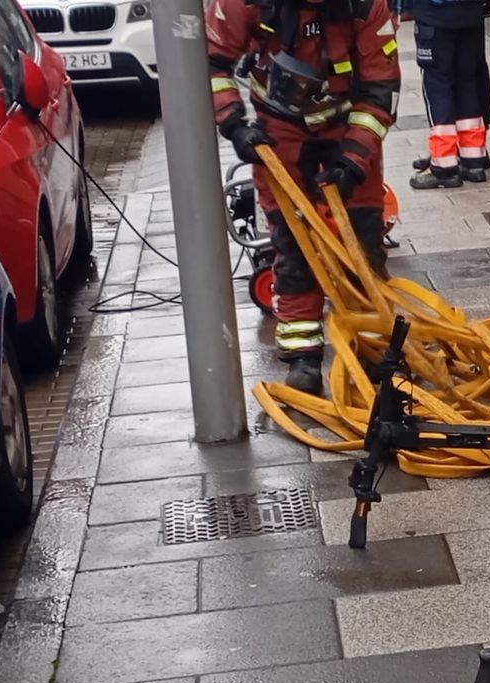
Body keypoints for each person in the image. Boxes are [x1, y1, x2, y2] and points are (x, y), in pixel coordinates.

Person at [207, 0, 400, 397]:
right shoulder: (244, 4)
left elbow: (381, 89)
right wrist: (234, 125)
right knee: (293, 245)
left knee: (362, 246)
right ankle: (303, 357)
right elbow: (210, 64)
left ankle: (372, 349)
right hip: (280, 129)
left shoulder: (366, 5)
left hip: (347, 122)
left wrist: (353, 161)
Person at [408, 0, 490, 188]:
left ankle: (443, 166)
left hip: (435, 17)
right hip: (471, 16)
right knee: (467, 83)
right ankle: (473, 160)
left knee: (438, 87)